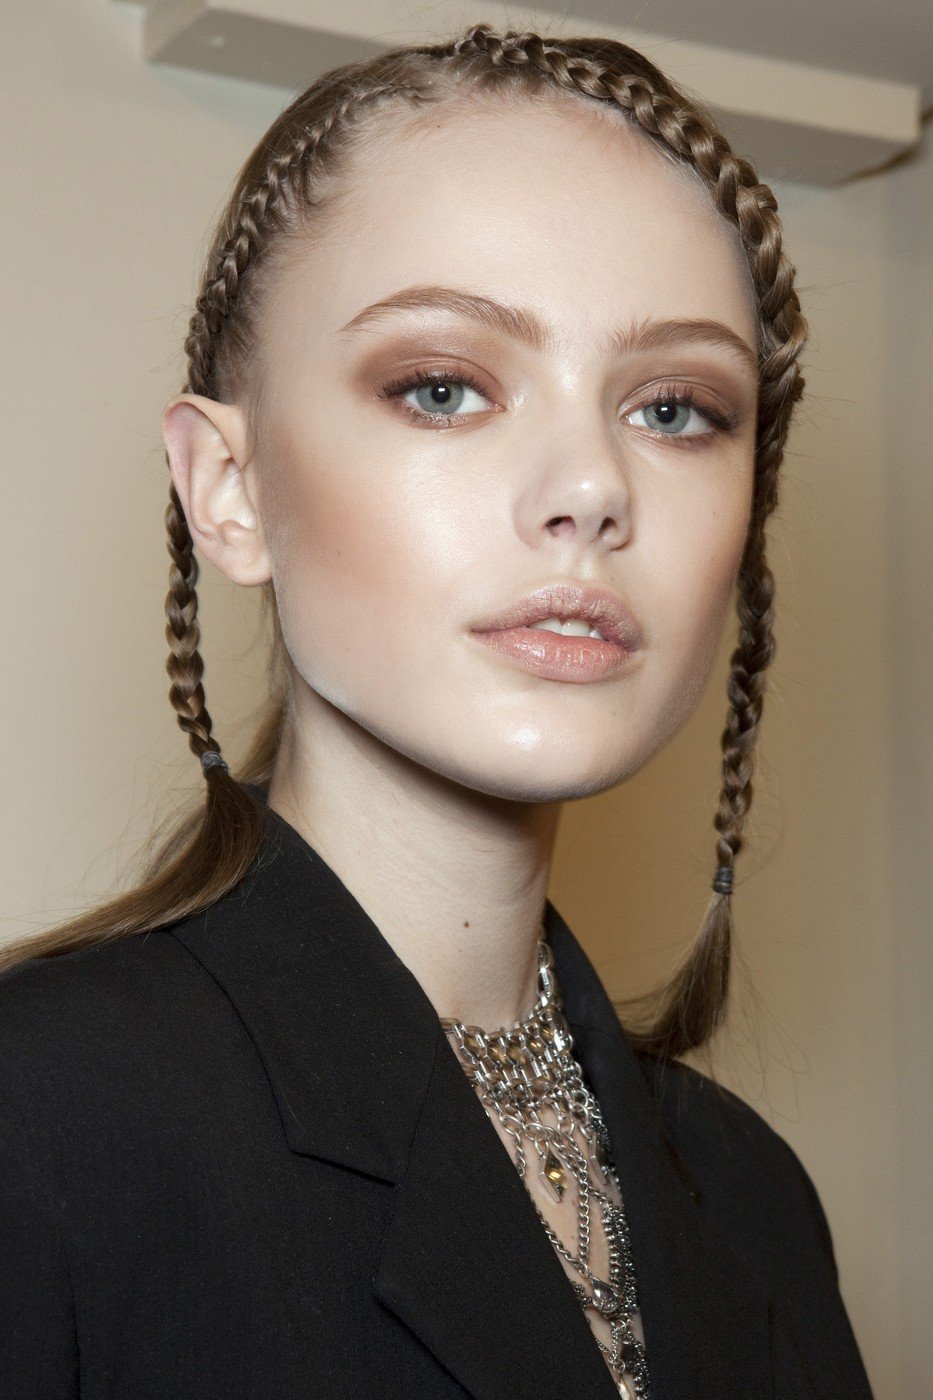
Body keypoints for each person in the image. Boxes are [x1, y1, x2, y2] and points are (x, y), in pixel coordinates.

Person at [0, 21, 873, 1399]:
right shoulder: (40, 1116)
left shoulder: (755, 1201)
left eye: (674, 410)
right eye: (444, 387)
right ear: (228, 490)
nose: (589, 488)